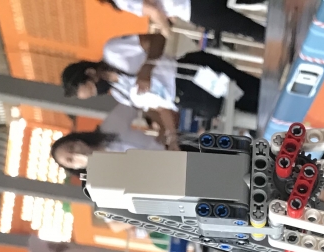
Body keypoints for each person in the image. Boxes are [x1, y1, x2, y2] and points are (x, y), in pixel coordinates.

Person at [61, 34, 259, 134]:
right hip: (189, 100)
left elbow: (157, 39)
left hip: (192, 75)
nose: (98, 92)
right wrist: (170, 135)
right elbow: (161, 107)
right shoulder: (120, 94)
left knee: (255, 94)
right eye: (93, 94)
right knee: (252, 117)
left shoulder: (113, 52)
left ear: (90, 72)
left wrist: (147, 67)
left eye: (92, 88)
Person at [52, 105, 165, 175]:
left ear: (77, 140)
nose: (76, 154)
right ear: (74, 168)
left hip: (170, 147)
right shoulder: (104, 178)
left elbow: (135, 102)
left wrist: (163, 128)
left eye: (71, 148)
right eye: (70, 160)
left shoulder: (110, 127)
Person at [94, 0, 266, 43]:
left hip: (194, 9)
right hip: (190, 6)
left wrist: (166, 30)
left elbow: (153, 10)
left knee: (249, 29)